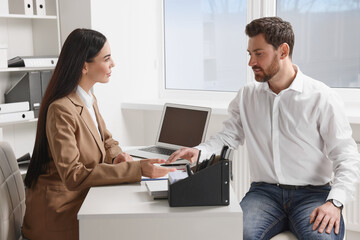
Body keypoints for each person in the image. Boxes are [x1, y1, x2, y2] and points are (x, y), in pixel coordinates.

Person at [166, 17, 360, 239]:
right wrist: (201, 151)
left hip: (313, 194)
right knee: (236, 235)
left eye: (259, 54)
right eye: (250, 54)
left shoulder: (322, 97)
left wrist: (335, 202)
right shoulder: (248, 95)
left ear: (283, 51)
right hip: (264, 193)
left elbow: (346, 156)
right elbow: (229, 136)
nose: (251, 62)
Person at [23, 28, 175, 240]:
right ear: (84, 66)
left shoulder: (88, 98)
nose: (113, 64)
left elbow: (106, 140)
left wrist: (116, 156)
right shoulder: (61, 109)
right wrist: (136, 169)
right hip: (61, 211)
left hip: (82, 198)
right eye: (107, 58)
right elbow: (73, 175)